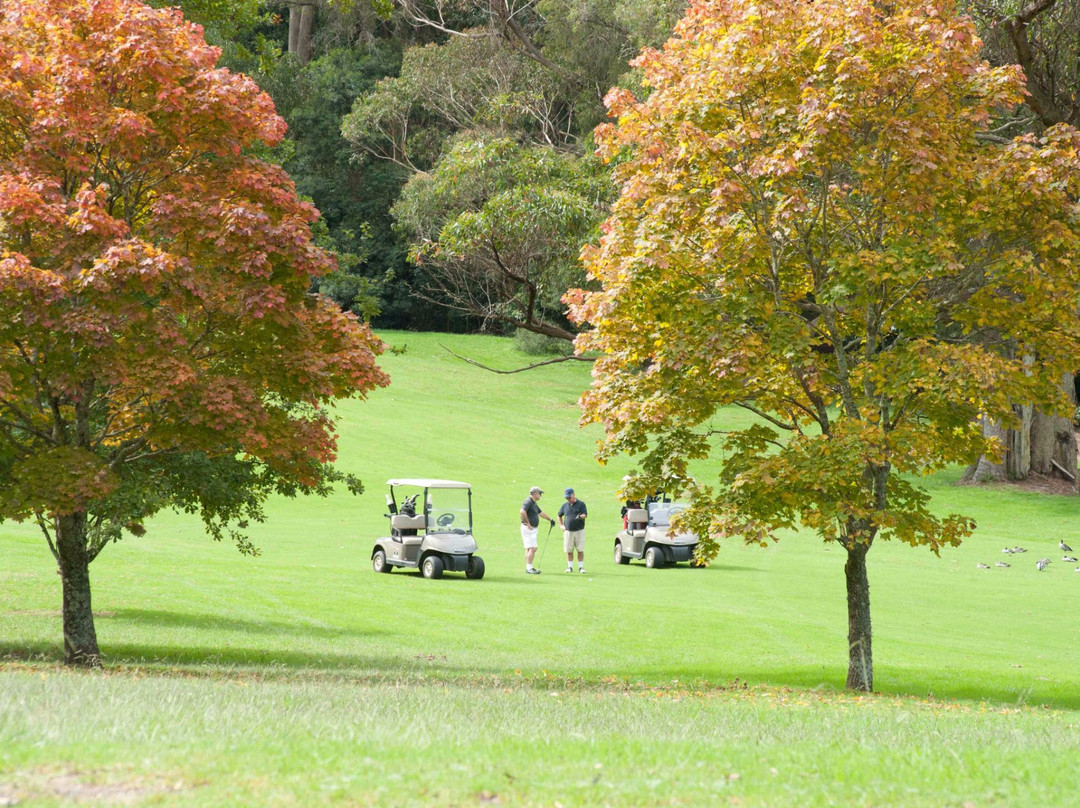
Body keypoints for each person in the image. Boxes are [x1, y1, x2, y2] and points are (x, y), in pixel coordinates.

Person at [520, 486, 555, 575]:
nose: (540, 495)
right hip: (528, 528)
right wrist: (528, 523)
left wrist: (550, 519)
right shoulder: (528, 501)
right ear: (535, 494)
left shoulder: (533, 503)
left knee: (529, 548)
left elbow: (541, 513)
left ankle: (529, 567)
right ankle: (529, 568)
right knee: (533, 548)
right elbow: (522, 511)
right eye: (540, 493)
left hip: (531, 528)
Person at [558, 487, 588, 573]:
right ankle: (570, 567)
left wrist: (580, 516)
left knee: (580, 549)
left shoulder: (581, 504)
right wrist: (561, 526)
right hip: (568, 531)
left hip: (579, 531)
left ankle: (581, 567)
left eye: (569, 497)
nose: (568, 499)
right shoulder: (565, 506)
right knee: (569, 550)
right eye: (567, 498)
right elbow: (559, 515)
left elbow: (585, 515)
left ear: (573, 495)